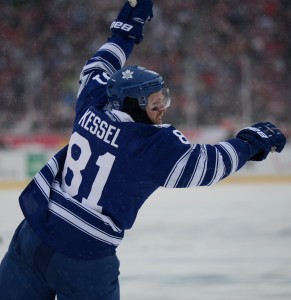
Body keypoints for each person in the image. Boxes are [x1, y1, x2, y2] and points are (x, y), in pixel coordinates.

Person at [0, 1, 287, 299]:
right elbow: (206, 166)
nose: (162, 111)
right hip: (84, 258)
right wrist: (250, 143)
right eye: (154, 106)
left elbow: (100, 64)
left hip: (34, 235)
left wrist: (125, 31)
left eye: (163, 102)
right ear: (133, 106)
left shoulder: (93, 101)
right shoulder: (150, 145)